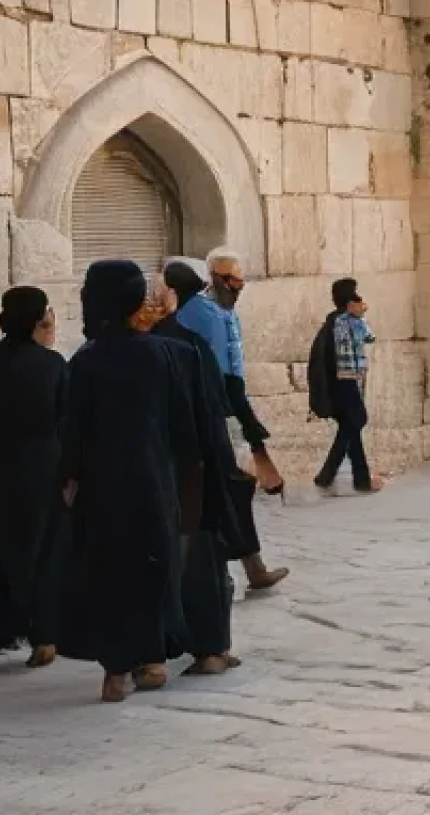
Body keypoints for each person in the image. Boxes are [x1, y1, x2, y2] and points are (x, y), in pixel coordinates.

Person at [57, 260, 202, 703]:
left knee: (108, 570)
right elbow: (184, 428)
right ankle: (152, 658)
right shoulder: (162, 354)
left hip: (102, 486)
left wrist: (68, 480)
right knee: (153, 565)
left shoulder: (83, 362)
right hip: (154, 479)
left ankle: (115, 669)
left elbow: (72, 433)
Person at [153, 263, 251, 675]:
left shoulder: (110, 351)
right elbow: (212, 415)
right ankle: (211, 649)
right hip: (197, 474)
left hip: (154, 477)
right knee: (204, 563)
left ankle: (150, 658)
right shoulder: (191, 347)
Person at [176, 250, 288, 592]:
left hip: (209, 412)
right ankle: (229, 571)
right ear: (215, 278)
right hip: (216, 415)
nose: (238, 288)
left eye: (241, 281)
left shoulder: (209, 313)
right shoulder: (209, 316)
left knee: (226, 492)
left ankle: (249, 566)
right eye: (233, 281)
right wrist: (246, 420)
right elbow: (227, 378)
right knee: (226, 493)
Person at [0, 288, 67, 668]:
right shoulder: (52, 364)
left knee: (4, 548)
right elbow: (61, 416)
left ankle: (9, 627)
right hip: (41, 464)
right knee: (43, 549)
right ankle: (45, 636)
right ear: (37, 319)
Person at [314, 287, 386, 494]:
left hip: (351, 378)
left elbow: (370, 337)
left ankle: (358, 480)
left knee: (351, 428)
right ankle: (327, 475)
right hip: (343, 380)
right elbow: (353, 341)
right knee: (357, 420)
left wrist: (360, 318)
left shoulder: (349, 321)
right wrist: (359, 318)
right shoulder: (339, 323)